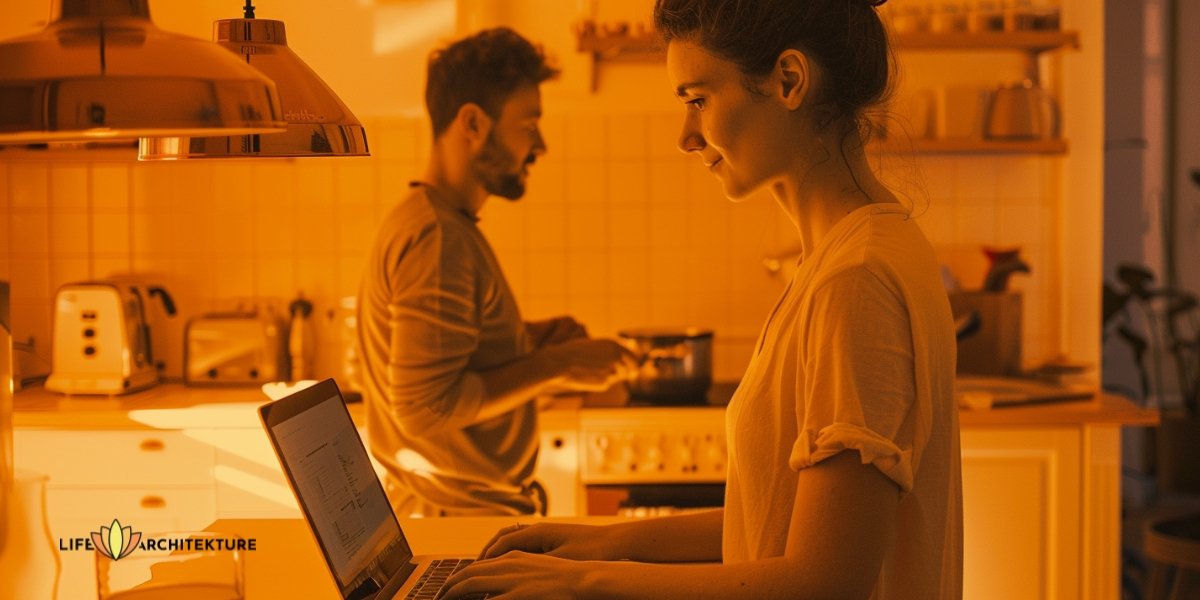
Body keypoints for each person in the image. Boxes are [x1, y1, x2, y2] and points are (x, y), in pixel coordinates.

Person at [441, 0, 963, 598]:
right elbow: (780, 530)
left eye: (698, 100)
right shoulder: (854, 254)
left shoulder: (857, 280)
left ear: (789, 80)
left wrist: (586, 582)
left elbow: (824, 581)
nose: (686, 137)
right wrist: (605, 543)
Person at [357, 27, 636, 518]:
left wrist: (525, 341)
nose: (541, 145)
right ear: (473, 124)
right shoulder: (437, 239)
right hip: (454, 518)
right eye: (529, 124)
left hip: (454, 513)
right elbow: (427, 408)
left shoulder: (440, 225)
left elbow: (451, 356)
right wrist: (560, 364)